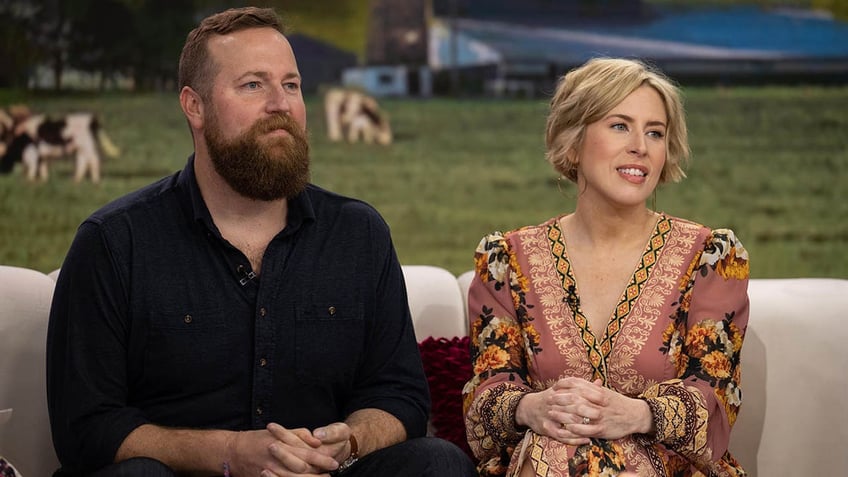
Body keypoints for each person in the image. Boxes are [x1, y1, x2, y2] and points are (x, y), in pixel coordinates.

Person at [46, 7, 477, 477]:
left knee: (439, 462)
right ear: (194, 106)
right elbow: (86, 428)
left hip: (319, 472)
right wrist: (231, 452)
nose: (281, 104)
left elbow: (400, 397)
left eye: (290, 85)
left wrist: (346, 442)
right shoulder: (114, 243)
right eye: (253, 85)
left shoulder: (358, 233)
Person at [462, 58, 750, 476]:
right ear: (574, 142)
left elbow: (715, 400)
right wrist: (533, 407)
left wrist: (636, 415)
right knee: (555, 446)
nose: (641, 146)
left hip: (672, 468)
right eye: (620, 126)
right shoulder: (504, 260)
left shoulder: (712, 257)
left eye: (655, 132)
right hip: (542, 463)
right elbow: (484, 404)